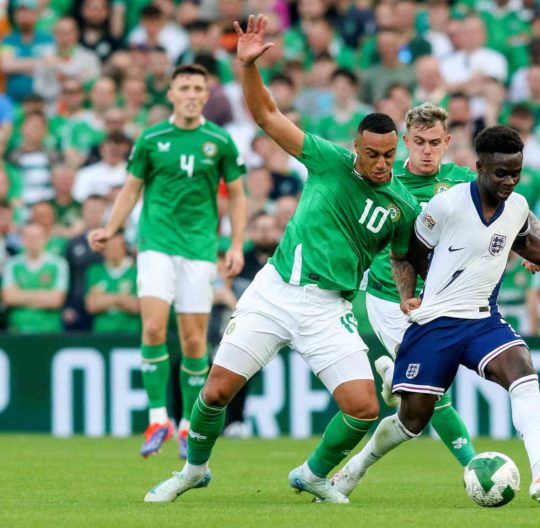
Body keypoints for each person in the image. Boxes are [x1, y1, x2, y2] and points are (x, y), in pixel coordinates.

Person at [144, 14, 419, 504]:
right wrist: (248, 67)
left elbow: (402, 257)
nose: (382, 164)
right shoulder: (327, 159)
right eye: (373, 154)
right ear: (356, 147)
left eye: (389, 155)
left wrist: (406, 297)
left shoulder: (403, 206)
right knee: (214, 394)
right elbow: (267, 116)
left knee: (362, 408)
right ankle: (193, 470)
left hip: (329, 309)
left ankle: (312, 475)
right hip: (275, 293)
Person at [331, 126, 540, 503]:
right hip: (436, 323)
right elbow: (407, 253)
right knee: (412, 421)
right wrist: (413, 295)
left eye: (516, 173)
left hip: (482, 319)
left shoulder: (518, 206)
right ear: (479, 167)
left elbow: (524, 241)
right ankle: (354, 469)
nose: (509, 181)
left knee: (523, 372)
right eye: (500, 173)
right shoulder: (448, 204)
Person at [88, 64, 248, 459]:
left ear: (206, 95)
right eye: (185, 88)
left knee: (195, 341)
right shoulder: (151, 138)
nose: (192, 94)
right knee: (154, 328)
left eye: (199, 88)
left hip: (198, 250)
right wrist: (111, 229)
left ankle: (186, 425)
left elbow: (239, 196)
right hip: (156, 244)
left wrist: (237, 243)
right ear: (172, 94)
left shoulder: (220, 141)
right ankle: (157, 417)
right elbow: (131, 188)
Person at [364, 102, 477, 467]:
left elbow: (515, 210)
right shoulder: (383, 179)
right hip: (389, 297)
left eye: (433, 142)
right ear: (405, 143)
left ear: (446, 142)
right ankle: (475, 468)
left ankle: (394, 374)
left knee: (423, 395)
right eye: (418, 142)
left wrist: (530, 249)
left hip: (441, 300)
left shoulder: (461, 182)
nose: (426, 150)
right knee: (436, 393)